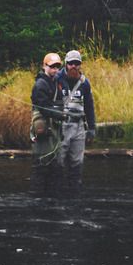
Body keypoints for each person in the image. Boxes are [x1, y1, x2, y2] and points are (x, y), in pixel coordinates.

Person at [55, 49, 96, 192]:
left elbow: (89, 106)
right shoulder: (57, 79)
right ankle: (58, 191)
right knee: (59, 160)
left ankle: (75, 190)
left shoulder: (85, 83)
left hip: (79, 127)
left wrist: (91, 128)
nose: (74, 66)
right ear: (66, 64)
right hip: (61, 126)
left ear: (80, 65)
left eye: (76, 63)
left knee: (77, 162)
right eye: (71, 63)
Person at [30, 52, 66, 196]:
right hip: (43, 130)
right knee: (41, 165)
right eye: (52, 67)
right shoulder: (40, 84)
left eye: (57, 67)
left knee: (55, 166)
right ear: (44, 66)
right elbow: (43, 107)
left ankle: (51, 196)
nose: (55, 70)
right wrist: (61, 115)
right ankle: (38, 196)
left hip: (54, 129)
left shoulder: (57, 82)